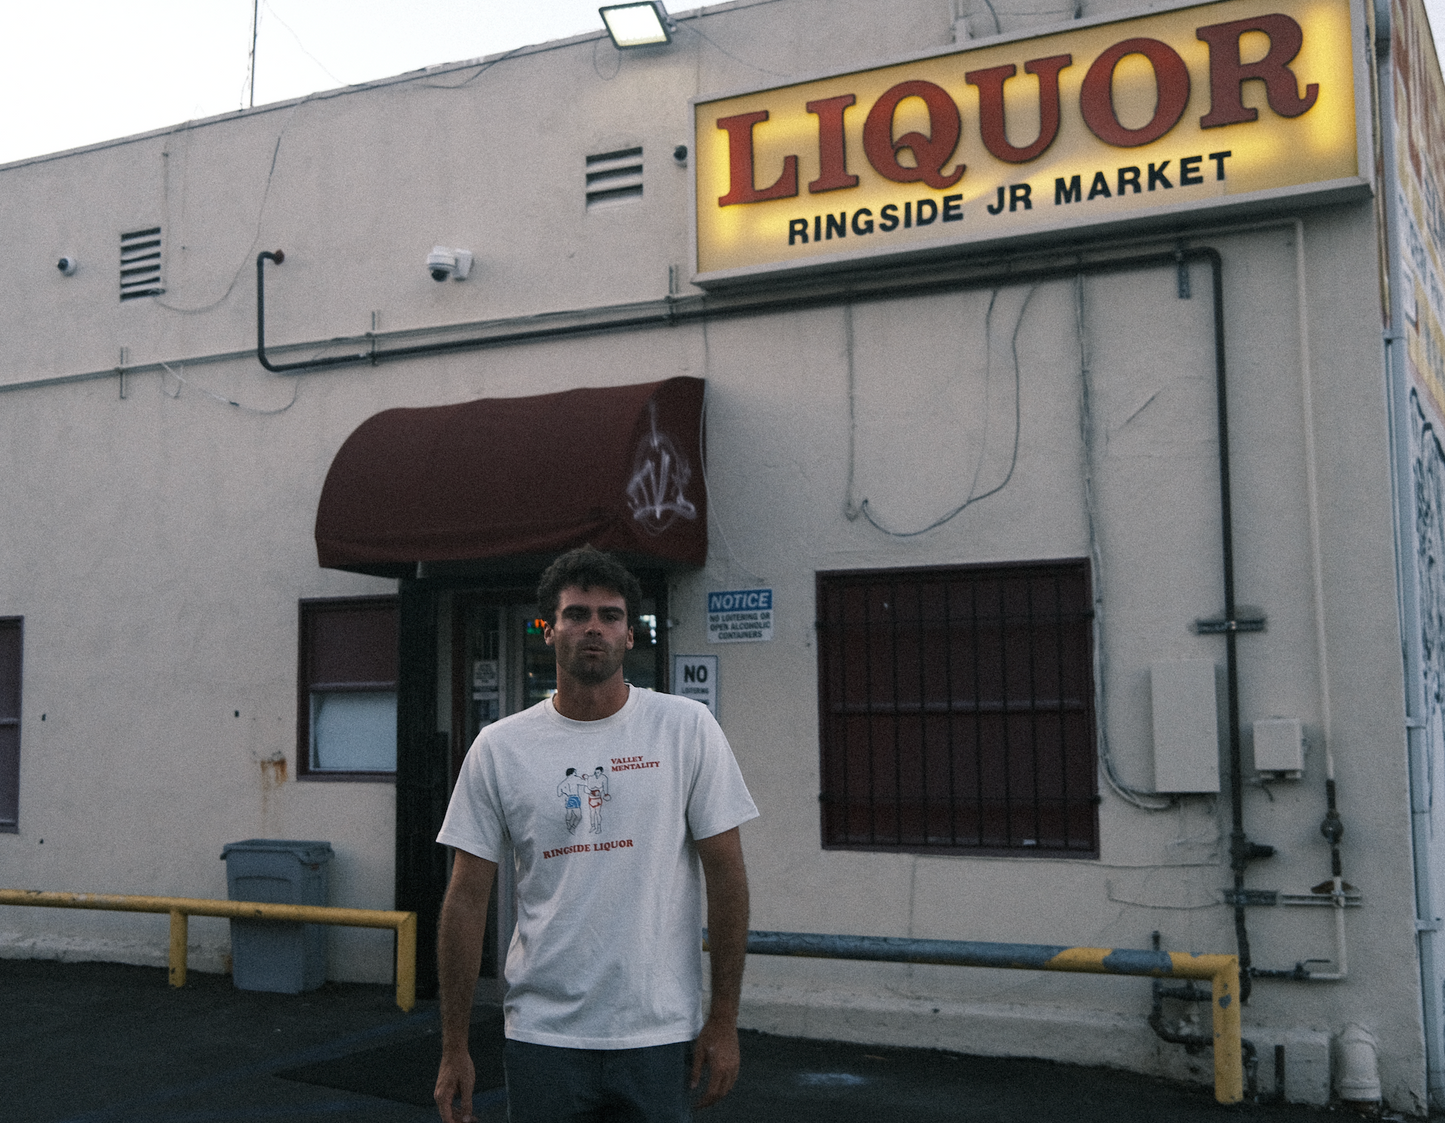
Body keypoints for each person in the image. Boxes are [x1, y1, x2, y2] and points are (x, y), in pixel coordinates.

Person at [434, 545, 758, 1123]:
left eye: (610, 616)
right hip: (544, 1036)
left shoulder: (685, 730)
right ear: (548, 629)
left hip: (657, 1033)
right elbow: (465, 899)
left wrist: (724, 1019)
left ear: (631, 635)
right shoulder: (500, 748)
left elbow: (727, 877)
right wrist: (453, 1046)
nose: (594, 628)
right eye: (577, 613)